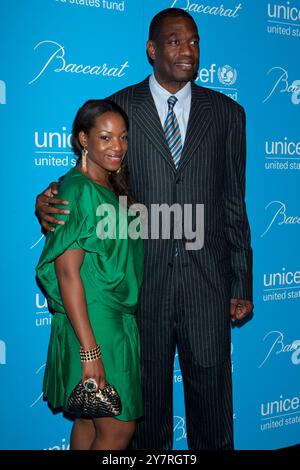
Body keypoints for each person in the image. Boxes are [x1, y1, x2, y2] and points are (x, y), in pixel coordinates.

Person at [36, 8, 253, 450]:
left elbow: (234, 201)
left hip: (207, 285)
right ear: (152, 49)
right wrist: (46, 201)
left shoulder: (228, 113)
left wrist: (241, 280)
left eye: (193, 41)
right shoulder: (121, 107)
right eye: (174, 41)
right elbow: (89, 181)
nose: (186, 50)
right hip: (141, 287)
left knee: (213, 409)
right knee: (143, 415)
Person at [36, 99, 143, 450]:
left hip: (112, 319)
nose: (118, 147)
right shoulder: (77, 191)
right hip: (97, 323)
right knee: (117, 431)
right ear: (83, 140)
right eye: (106, 137)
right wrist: (90, 352)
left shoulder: (109, 185)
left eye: (123, 138)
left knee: (90, 419)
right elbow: (67, 273)